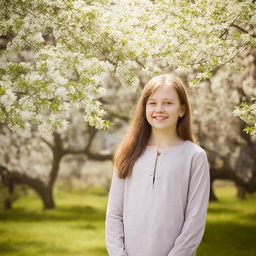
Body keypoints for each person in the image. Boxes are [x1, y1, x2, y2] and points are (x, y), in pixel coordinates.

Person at [105, 74, 210, 256]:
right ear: (144, 108)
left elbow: (195, 221)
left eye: (168, 103)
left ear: (182, 110)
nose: (159, 109)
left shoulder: (194, 157)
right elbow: (114, 214)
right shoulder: (127, 153)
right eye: (152, 103)